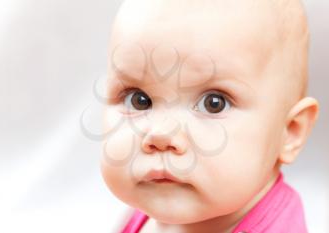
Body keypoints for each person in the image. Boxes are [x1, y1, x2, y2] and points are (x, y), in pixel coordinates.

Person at [100, 0, 320, 232]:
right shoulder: (154, 202)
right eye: (139, 99)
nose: (161, 134)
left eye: (214, 104)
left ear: (290, 131)